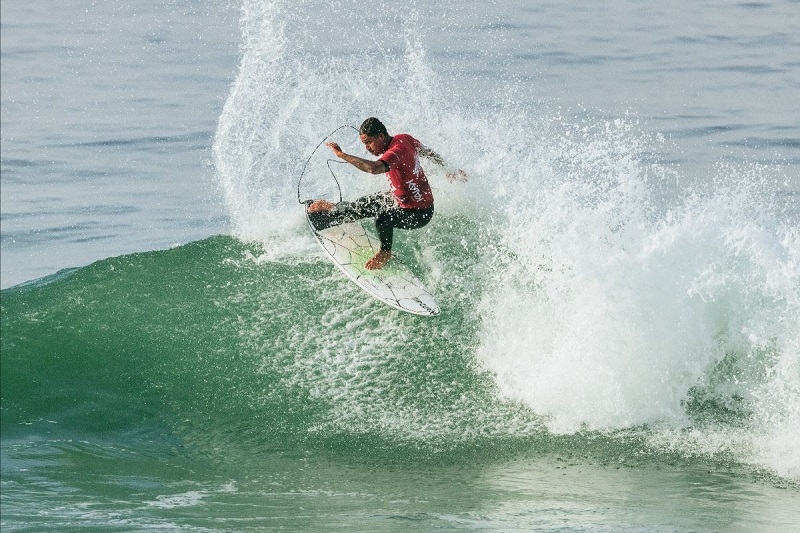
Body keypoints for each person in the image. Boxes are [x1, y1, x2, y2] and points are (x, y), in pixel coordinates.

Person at [308, 117, 467, 270]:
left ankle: (385, 253)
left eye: (368, 142)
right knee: (363, 204)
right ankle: (333, 211)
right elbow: (427, 152)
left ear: (381, 136)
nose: (367, 148)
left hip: (419, 213)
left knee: (383, 218)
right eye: (364, 143)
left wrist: (342, 155)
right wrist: (448, 170)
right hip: (401, 199)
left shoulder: (396, 151)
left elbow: (373, 168)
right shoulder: (404, 138)